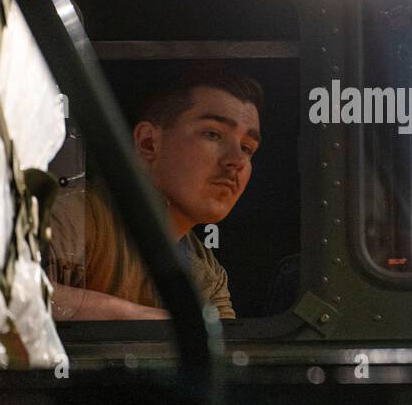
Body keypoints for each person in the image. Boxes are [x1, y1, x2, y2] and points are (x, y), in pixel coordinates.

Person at [45, 65, 262, 321]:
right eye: (213, 134)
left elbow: (223, 343)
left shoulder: (205, 270)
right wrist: (168, 322)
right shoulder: (75, 217)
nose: (236, 160)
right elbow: (18, 301)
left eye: (247, 148)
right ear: (149, 142)